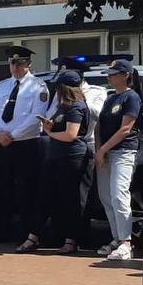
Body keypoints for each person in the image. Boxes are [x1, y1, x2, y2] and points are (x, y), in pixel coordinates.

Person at [0, 46, 49, 246]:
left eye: (20, 63)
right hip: (2, 144)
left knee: (27, 191)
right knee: (3, 189)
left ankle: (28, 233)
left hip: (26, 144)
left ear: (28, 64)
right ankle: (1, 231)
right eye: (12, 63)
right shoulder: (1, 86)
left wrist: (12, 135)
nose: (15, 67)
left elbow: (36, 116)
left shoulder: (38, 86)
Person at [31, 70, 90, 254]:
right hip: (55, 156)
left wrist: (49, 133)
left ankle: (71, 241)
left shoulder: (77, 107)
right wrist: (50, 126)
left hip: (72, 157)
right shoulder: (62, 106)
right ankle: (34, 237)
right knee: (45, 196)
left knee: (70, 200)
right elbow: (60, 128)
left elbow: (71, 134)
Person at [95, 60, 141, 261]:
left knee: (119, 195)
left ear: (125, 75)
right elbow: (100, 125)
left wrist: (103, 149)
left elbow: (125, 129)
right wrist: (100, 150)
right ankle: (116, 238)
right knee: (106, 197)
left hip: (123, 152)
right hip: (106, 153)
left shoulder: (131, 97)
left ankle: (126, 242)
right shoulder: (110, 98)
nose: (110, 76)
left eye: (114, 73)